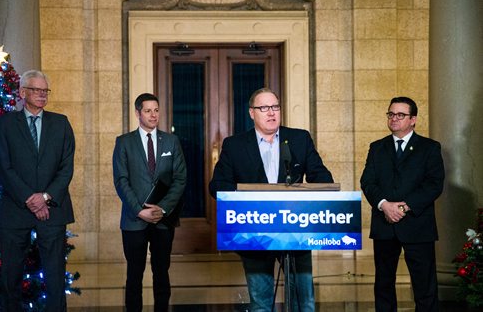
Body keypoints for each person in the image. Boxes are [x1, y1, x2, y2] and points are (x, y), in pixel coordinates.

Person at [209, 88, 333, 312]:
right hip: (255, 232)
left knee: (304, 303)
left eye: (275, 107)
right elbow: (218, 186)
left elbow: (322, 177)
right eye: (263, 108)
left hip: (296, 231)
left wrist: (316, 194)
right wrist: (245, 200)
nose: (271, 113)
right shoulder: (235, 145)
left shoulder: (298, 139)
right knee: (261, 304)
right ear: (251, 113)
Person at [0, 70, 75, 312]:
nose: (42, 94)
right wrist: (30, 199)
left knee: (55, 276)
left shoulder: (61, 123)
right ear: (22, 93)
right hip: (16, 210)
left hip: (52, 210)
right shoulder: (6, 123)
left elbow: (66, 167)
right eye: (36, 90)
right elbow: (4, 166)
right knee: (11, 275)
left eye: (45, 90)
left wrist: (45, 198)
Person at [360, 96, 445, 312]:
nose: (394, 119)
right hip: (384, 224)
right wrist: (384, 205)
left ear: (413, 119)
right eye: (391, 114)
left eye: (400, 115)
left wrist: (404, 206)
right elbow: (367, 181)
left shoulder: (429, 148)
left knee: (424, 285)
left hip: (418, 225)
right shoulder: (377, 147)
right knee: (383, 284)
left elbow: (434, 184)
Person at [112, 93, 186, 312]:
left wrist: (162, 208)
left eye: (156, 110)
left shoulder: (171, 141)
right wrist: (139, 211)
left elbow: (180, 178)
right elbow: (121, 180)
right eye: (148, 111)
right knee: (134, 273)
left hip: (163, 220)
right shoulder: (124, 142)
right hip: (134, 221)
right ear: (138, 113)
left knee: (161, 272)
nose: (153, 115)